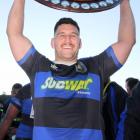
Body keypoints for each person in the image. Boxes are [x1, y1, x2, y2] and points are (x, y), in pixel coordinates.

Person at [6, 0, 135, 139]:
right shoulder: (37, 66)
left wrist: (125, 2)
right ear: (53, 42)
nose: (68, 39)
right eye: (61, 35)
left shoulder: (96, 67)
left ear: (80, 43)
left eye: (73, 35)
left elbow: (127, 41)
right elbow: (14, 34)